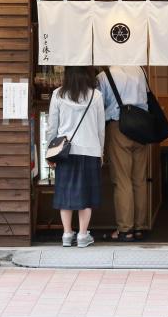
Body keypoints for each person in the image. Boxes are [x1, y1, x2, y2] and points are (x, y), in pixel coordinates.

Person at [47, 66, 105, 248]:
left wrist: (50, 152)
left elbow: (52, 127)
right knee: (86, 195)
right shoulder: (96, 96)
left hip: (65, 152)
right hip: (90, 150)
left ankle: (66, 234)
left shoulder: (57, 95)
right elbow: (100, 129)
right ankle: (82, 235)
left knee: (65, 193)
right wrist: (101, 152)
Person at [98, 66, 149, 242]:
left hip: (119, 126)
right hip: (141, 127)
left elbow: (98, 104)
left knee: (122, 179)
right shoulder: (140, 71)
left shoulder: (104, 76)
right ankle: (140, 227)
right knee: (139, 179)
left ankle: (125, 229)